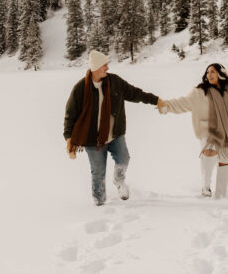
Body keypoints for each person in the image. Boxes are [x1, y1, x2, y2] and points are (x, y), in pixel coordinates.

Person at [158, 63, 228, 199]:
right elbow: (183, 103)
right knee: (209, 151)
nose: (209, 75)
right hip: (208, 130)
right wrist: (166, 105)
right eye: (207, 72)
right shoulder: (200, 92)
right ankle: (205, 186)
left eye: (212, 72)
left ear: (221, 73)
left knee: (225, 159)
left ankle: (220, 193)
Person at [64, 50, 164, 206]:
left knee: (124, 159)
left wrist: (156, 100)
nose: (108, 68)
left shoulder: (114, 82)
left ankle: (119, 181)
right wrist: (69, 139)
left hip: (115, 134)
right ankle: (99, 202)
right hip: (92, 140)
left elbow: (134, 93)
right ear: (96, 67)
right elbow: (70, 115)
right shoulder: (80, 88)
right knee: (98, 172)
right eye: (104, 65)